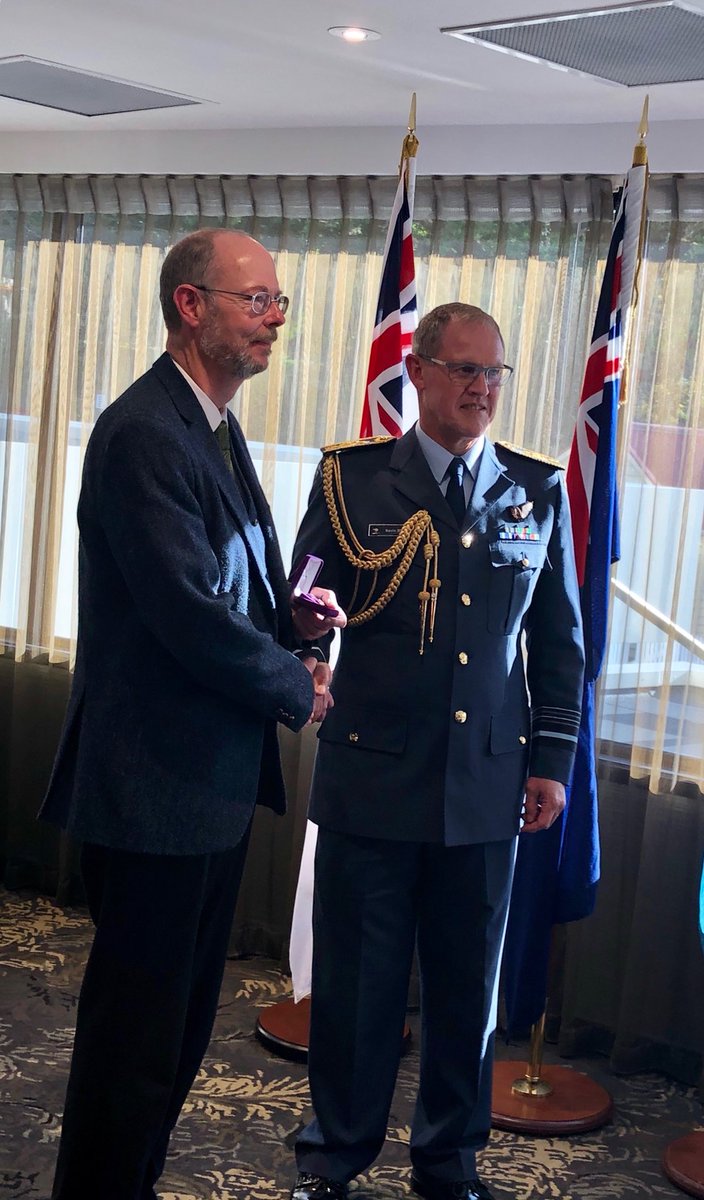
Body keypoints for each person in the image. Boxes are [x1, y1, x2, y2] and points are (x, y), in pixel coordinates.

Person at [39, 228, 343, 1200]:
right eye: (256, 301)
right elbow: (182, 613)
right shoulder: (142, 431)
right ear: (189, 305)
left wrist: (289, 623)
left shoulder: (210, 423)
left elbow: (226, 590)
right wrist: (296, 686)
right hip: (152, 794)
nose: (274, 320)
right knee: (132, 1051)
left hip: (202, 789)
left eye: (278, 302)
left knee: (166, 1048)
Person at [288, 302, 585, 1200]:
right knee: (357, 991)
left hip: (485, 785)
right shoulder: (352, 481)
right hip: (372, 778)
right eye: (462, 370)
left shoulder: (534, 490)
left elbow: (560, 642)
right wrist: (306, 652)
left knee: (466, 996)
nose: (480, 389)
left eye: (494, 373)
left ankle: (449, 1161)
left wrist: (551, 763)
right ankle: (335, 1155)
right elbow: (304, 599)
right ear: (416, 373)